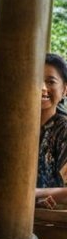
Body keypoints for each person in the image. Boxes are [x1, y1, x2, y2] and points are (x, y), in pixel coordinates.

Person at [34, 54, 67, 207]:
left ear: (64, 90)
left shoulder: (64, 129)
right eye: (36, 80)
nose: (43, 88)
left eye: (50, 81)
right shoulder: (12, 127)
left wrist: (31, 194)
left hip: (52, 222)